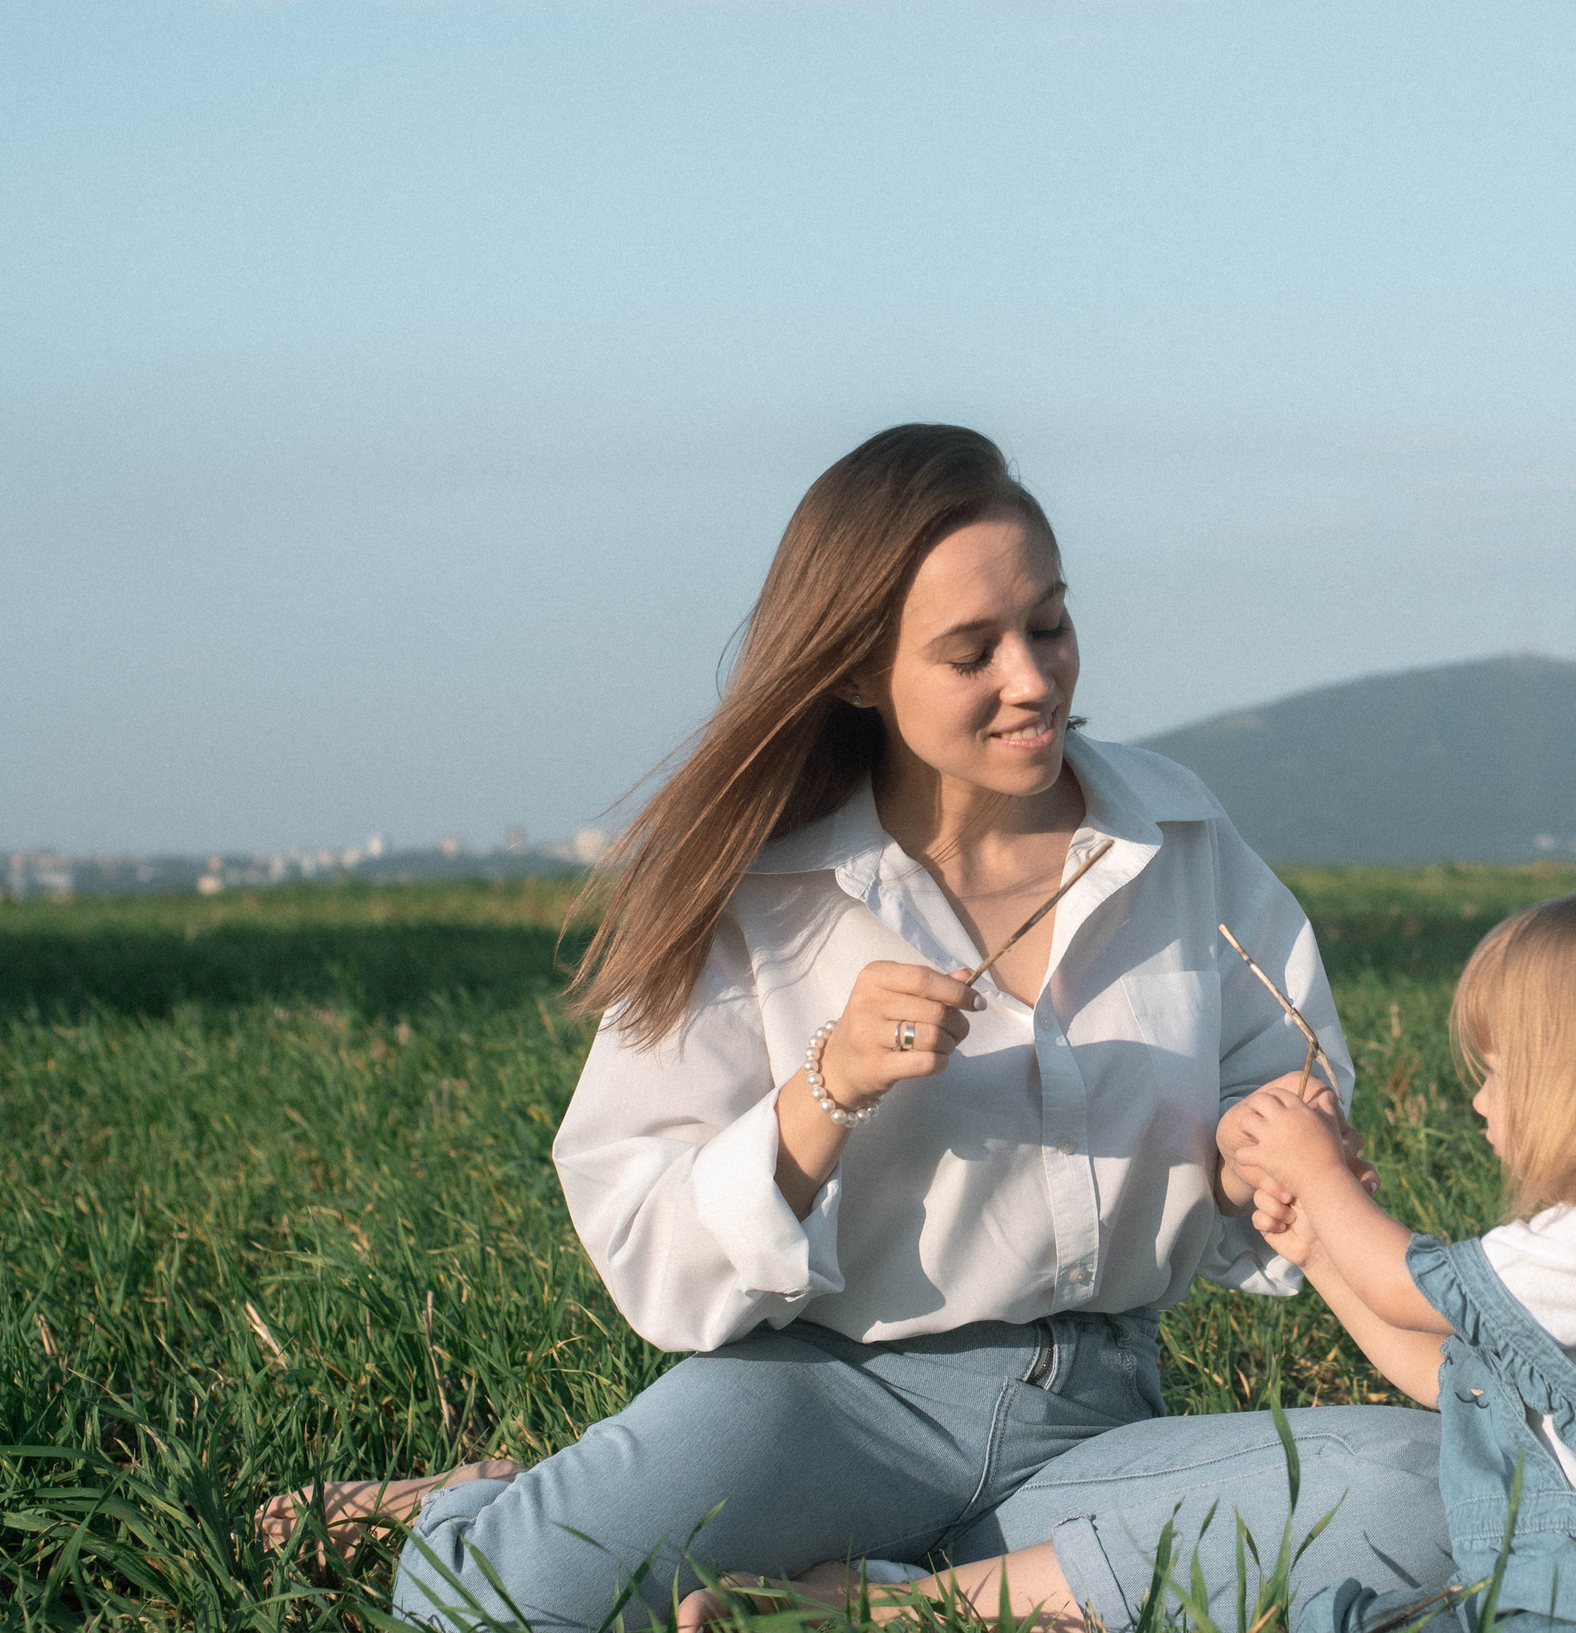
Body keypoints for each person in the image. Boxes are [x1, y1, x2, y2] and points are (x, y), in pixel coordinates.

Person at [256, 424, 1448, 1628]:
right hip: (819, 1404)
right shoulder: (758, 895)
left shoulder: (1176, 838)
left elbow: (1288, 1086)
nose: (1032, 677)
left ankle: (895, 1606)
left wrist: (1273, 1150)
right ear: (857, 669)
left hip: (1092, 1420)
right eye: (970, 649)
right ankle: (472, 1511)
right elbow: (641, 1232)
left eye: (1049, 623)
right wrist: (823, 1086)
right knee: (504, 1602)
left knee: (1434, 1492)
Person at [1227, 883, 1576, 1632]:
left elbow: (1398, 1284)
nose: (1480, 1102)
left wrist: (1321, 1177)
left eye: (1498, 1073)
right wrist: (1321, 1251)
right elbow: (1445, 1375)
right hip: (1571, 1586)